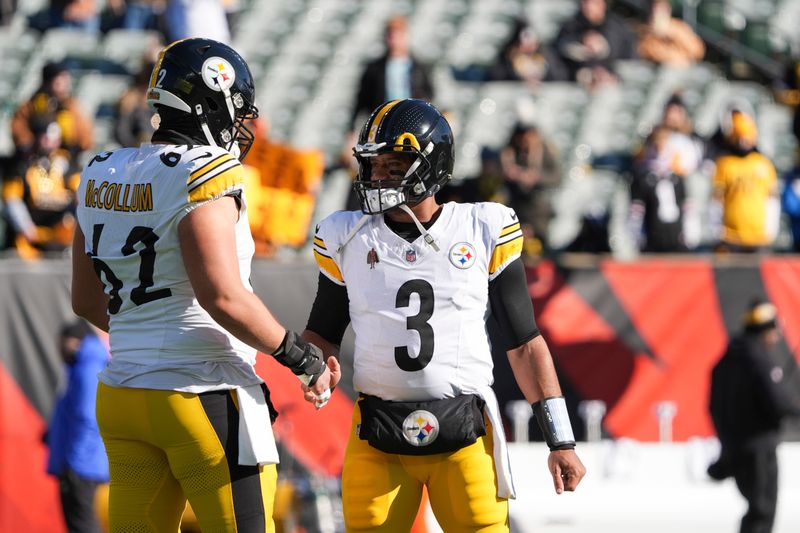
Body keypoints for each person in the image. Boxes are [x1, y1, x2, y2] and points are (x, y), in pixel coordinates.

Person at [70, 38, 338, 532]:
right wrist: (302, 358)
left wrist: (150, 333)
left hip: (124, 395)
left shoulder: (98, 171)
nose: (241, 128)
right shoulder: (206, 172)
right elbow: (223, 297)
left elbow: (85, 299)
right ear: (210, 103)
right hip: (202, 394)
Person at [301, 99, 586, 531]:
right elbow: (322, 332)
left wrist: (560, 438)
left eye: (393, 165)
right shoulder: (347, 236)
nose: (378, 177)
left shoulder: (482, 227)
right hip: (379, 436)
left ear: (430, 164)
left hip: (465, 433)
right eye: (374, 165)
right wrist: (313, 366)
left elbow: (525, 344)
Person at [708, 299, 800, 533]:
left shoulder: (726, 361)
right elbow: (778, 403)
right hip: (760, 451)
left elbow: (714, 406)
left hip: (735, 449)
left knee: (755, 509)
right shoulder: (759, 361)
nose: (777, 337)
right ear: (767, 330)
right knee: (762, 513)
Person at [46, 320, 110, 533]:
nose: (61, 348)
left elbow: (87, 417)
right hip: (83, 463)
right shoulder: (82, 367)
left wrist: (74, 463)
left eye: (64, 342)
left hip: (81, 465)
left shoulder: (87, 367)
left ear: (75, 342)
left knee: (83, 525)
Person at [2, 115, 80, 259]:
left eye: (55, 138)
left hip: (60, 239)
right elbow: (11, 199)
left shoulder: (66, 162)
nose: (50, 143)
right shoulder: (22, 163)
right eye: (46, 137)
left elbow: (81, 194)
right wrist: (25, 227)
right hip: (26, 241)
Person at [711, 110, 779, 253]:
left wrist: (771, 228)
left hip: (759, 236)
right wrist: (717, 229)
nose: (743, 140)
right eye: (739, 136)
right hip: (731, 236)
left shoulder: (764, 163)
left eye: (746, 135)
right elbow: (717, 199)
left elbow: (772, 198)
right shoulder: (724, 164)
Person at [11, 61, 94, 158]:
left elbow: (85, 137)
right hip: (33, 155)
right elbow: (19, 128)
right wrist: (32, 143)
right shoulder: (32, 105)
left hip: (64, 157)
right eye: (58, 81)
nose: (63, 85)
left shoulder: (71, 106)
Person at [637, 0, 705, 68]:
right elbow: (651, 54)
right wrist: (680, 59)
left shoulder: (679, 27)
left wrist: (670, 32)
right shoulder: (645, 33)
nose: (656, 14)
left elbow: (697, 51)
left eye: (661, 10)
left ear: (668, 11)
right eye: (654, 11)